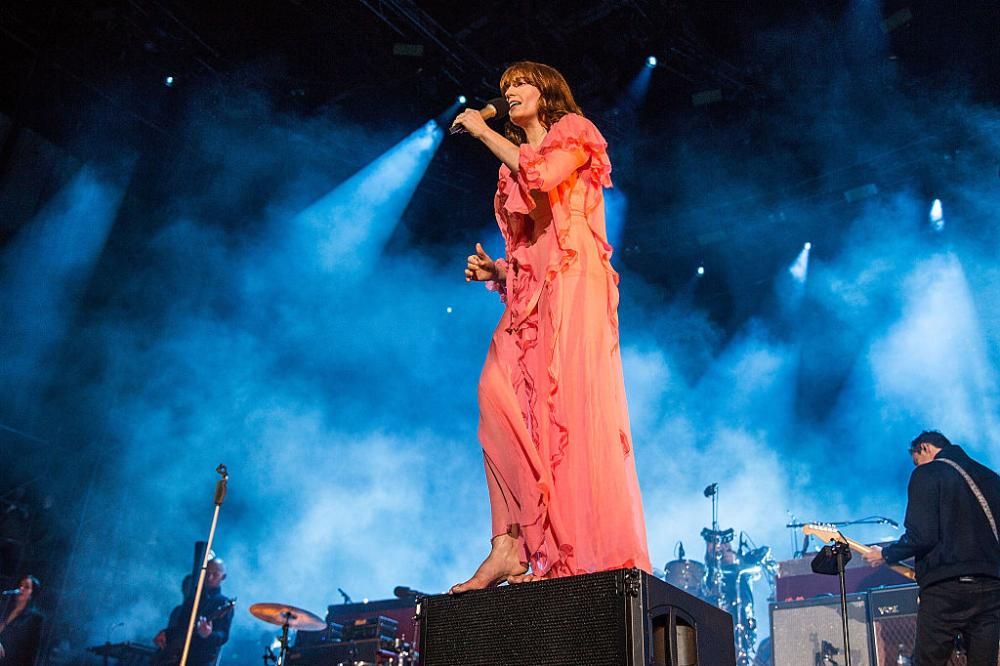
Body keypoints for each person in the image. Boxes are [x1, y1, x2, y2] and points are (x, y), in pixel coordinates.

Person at [449, 61, 651, 593]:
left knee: (562, 414)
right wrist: (498, 271)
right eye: (505, 87)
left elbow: (542, 175)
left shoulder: (574, 134)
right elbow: (529, 242)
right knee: (495, 393)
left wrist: (482, 130)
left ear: (547, 92)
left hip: (574, 281)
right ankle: (508, 544)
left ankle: (567, 548)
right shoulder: (510, 163)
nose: (510, 92)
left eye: (520, 84)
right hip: (529, 292)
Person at [863, 431, 1000, 666]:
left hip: (946, 589)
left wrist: (885, 554)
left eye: (916, 460)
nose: (917, 466)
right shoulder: (991, 477)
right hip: (992, 586)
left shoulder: (927, 473)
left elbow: (922, 535)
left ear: (925, 448)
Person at [153, 559, 233, 666]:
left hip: (199, 660)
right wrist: (166, 633)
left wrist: (208, 635)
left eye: (215, 574)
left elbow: (223, 635)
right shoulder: (193, 598)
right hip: (176, 656)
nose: (209, 577)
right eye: (207, 573)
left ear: (223, 577)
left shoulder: (223, 603)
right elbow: (182, 626)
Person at [0, 575, 44, 665]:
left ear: (32, 594)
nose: (21, 588)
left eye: (26, 587)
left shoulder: (35, 618)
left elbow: (32, 650)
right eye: (20, 585)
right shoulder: (4, 608)